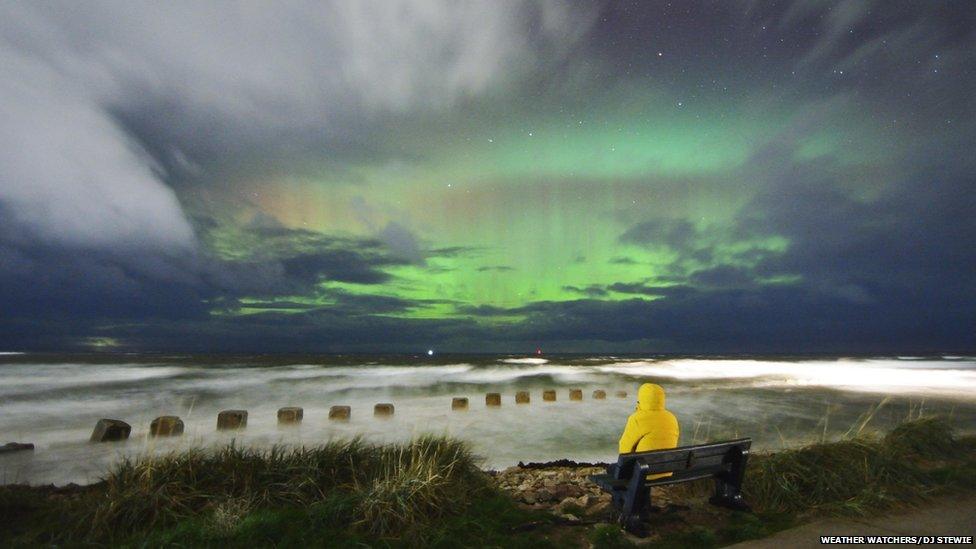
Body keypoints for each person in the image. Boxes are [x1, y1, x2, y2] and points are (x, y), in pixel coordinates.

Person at [618, 383, 679, 478]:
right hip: (666, 471)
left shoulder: (638, 418)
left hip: (643, 473)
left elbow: (625, 448)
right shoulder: (671, 418)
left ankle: (633, 493)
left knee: (612, 469)